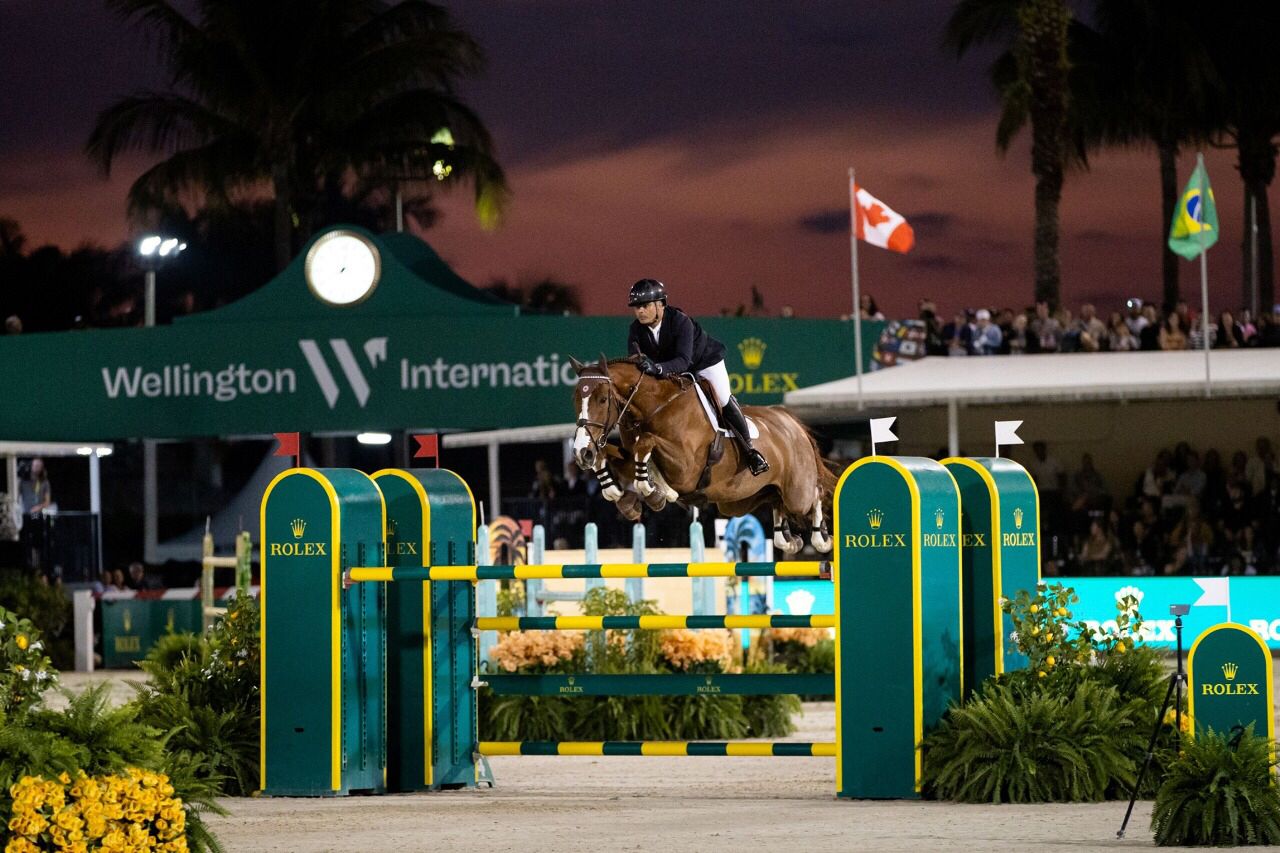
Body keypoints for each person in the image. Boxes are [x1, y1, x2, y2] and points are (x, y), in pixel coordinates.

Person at [626, 278, 769, 475]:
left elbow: (684, 361)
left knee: (723, 398)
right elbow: (634, 359)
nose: (640, 311)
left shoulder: (680, 321)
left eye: (645, 305)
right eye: (637, 307)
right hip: (671, 369)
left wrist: (657, 368)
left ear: (660, 304)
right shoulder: (636, 329)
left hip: (705, 362)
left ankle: (751, 451)